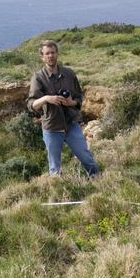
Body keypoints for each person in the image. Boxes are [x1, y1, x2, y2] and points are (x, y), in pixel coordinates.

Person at [27, 40, 100, 176]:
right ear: (42, 56)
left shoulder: (69, 73)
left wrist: (70, 102)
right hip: (52, 127)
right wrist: (47, 98)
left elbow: (79, 98)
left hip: (71, 124)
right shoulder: (38, 78)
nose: (50, 56)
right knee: (55, 168)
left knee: (87, 158)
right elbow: (31, 105)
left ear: (57, 54)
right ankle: (59, 193)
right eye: (47, 53)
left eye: (52, 52)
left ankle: (99, 182)